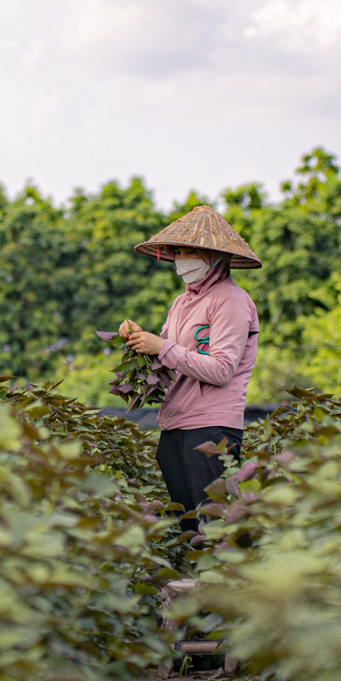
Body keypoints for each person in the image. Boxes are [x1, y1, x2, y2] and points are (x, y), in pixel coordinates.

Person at [117, 205, 261, 533]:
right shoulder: (181, 303)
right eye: (177, 250)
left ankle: (217, 584)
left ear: (213, 256)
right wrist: (141, 341)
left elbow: (222, 369)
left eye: (190, 251)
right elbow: (169, 359)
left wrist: (162, 346)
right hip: (175, 423)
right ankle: (188, 584)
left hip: (212, 427)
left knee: (213, 527)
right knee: (187, 526)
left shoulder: (231, 301)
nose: (182, 258)